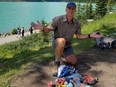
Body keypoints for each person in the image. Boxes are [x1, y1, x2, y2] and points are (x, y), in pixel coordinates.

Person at [31, 2, 103, 74]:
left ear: (75, 11)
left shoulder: (77, 23)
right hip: (56, 42)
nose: (71, 10)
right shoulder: (58, 19)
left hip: (67, 45)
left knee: (74, 62)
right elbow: (48, 30)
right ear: (66, 9)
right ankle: (57, 63)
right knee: (62, 40)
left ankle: (61, 56)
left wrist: (90, 35)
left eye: (73, 9)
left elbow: (79, 36)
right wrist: (42, 28)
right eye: (69, 8)